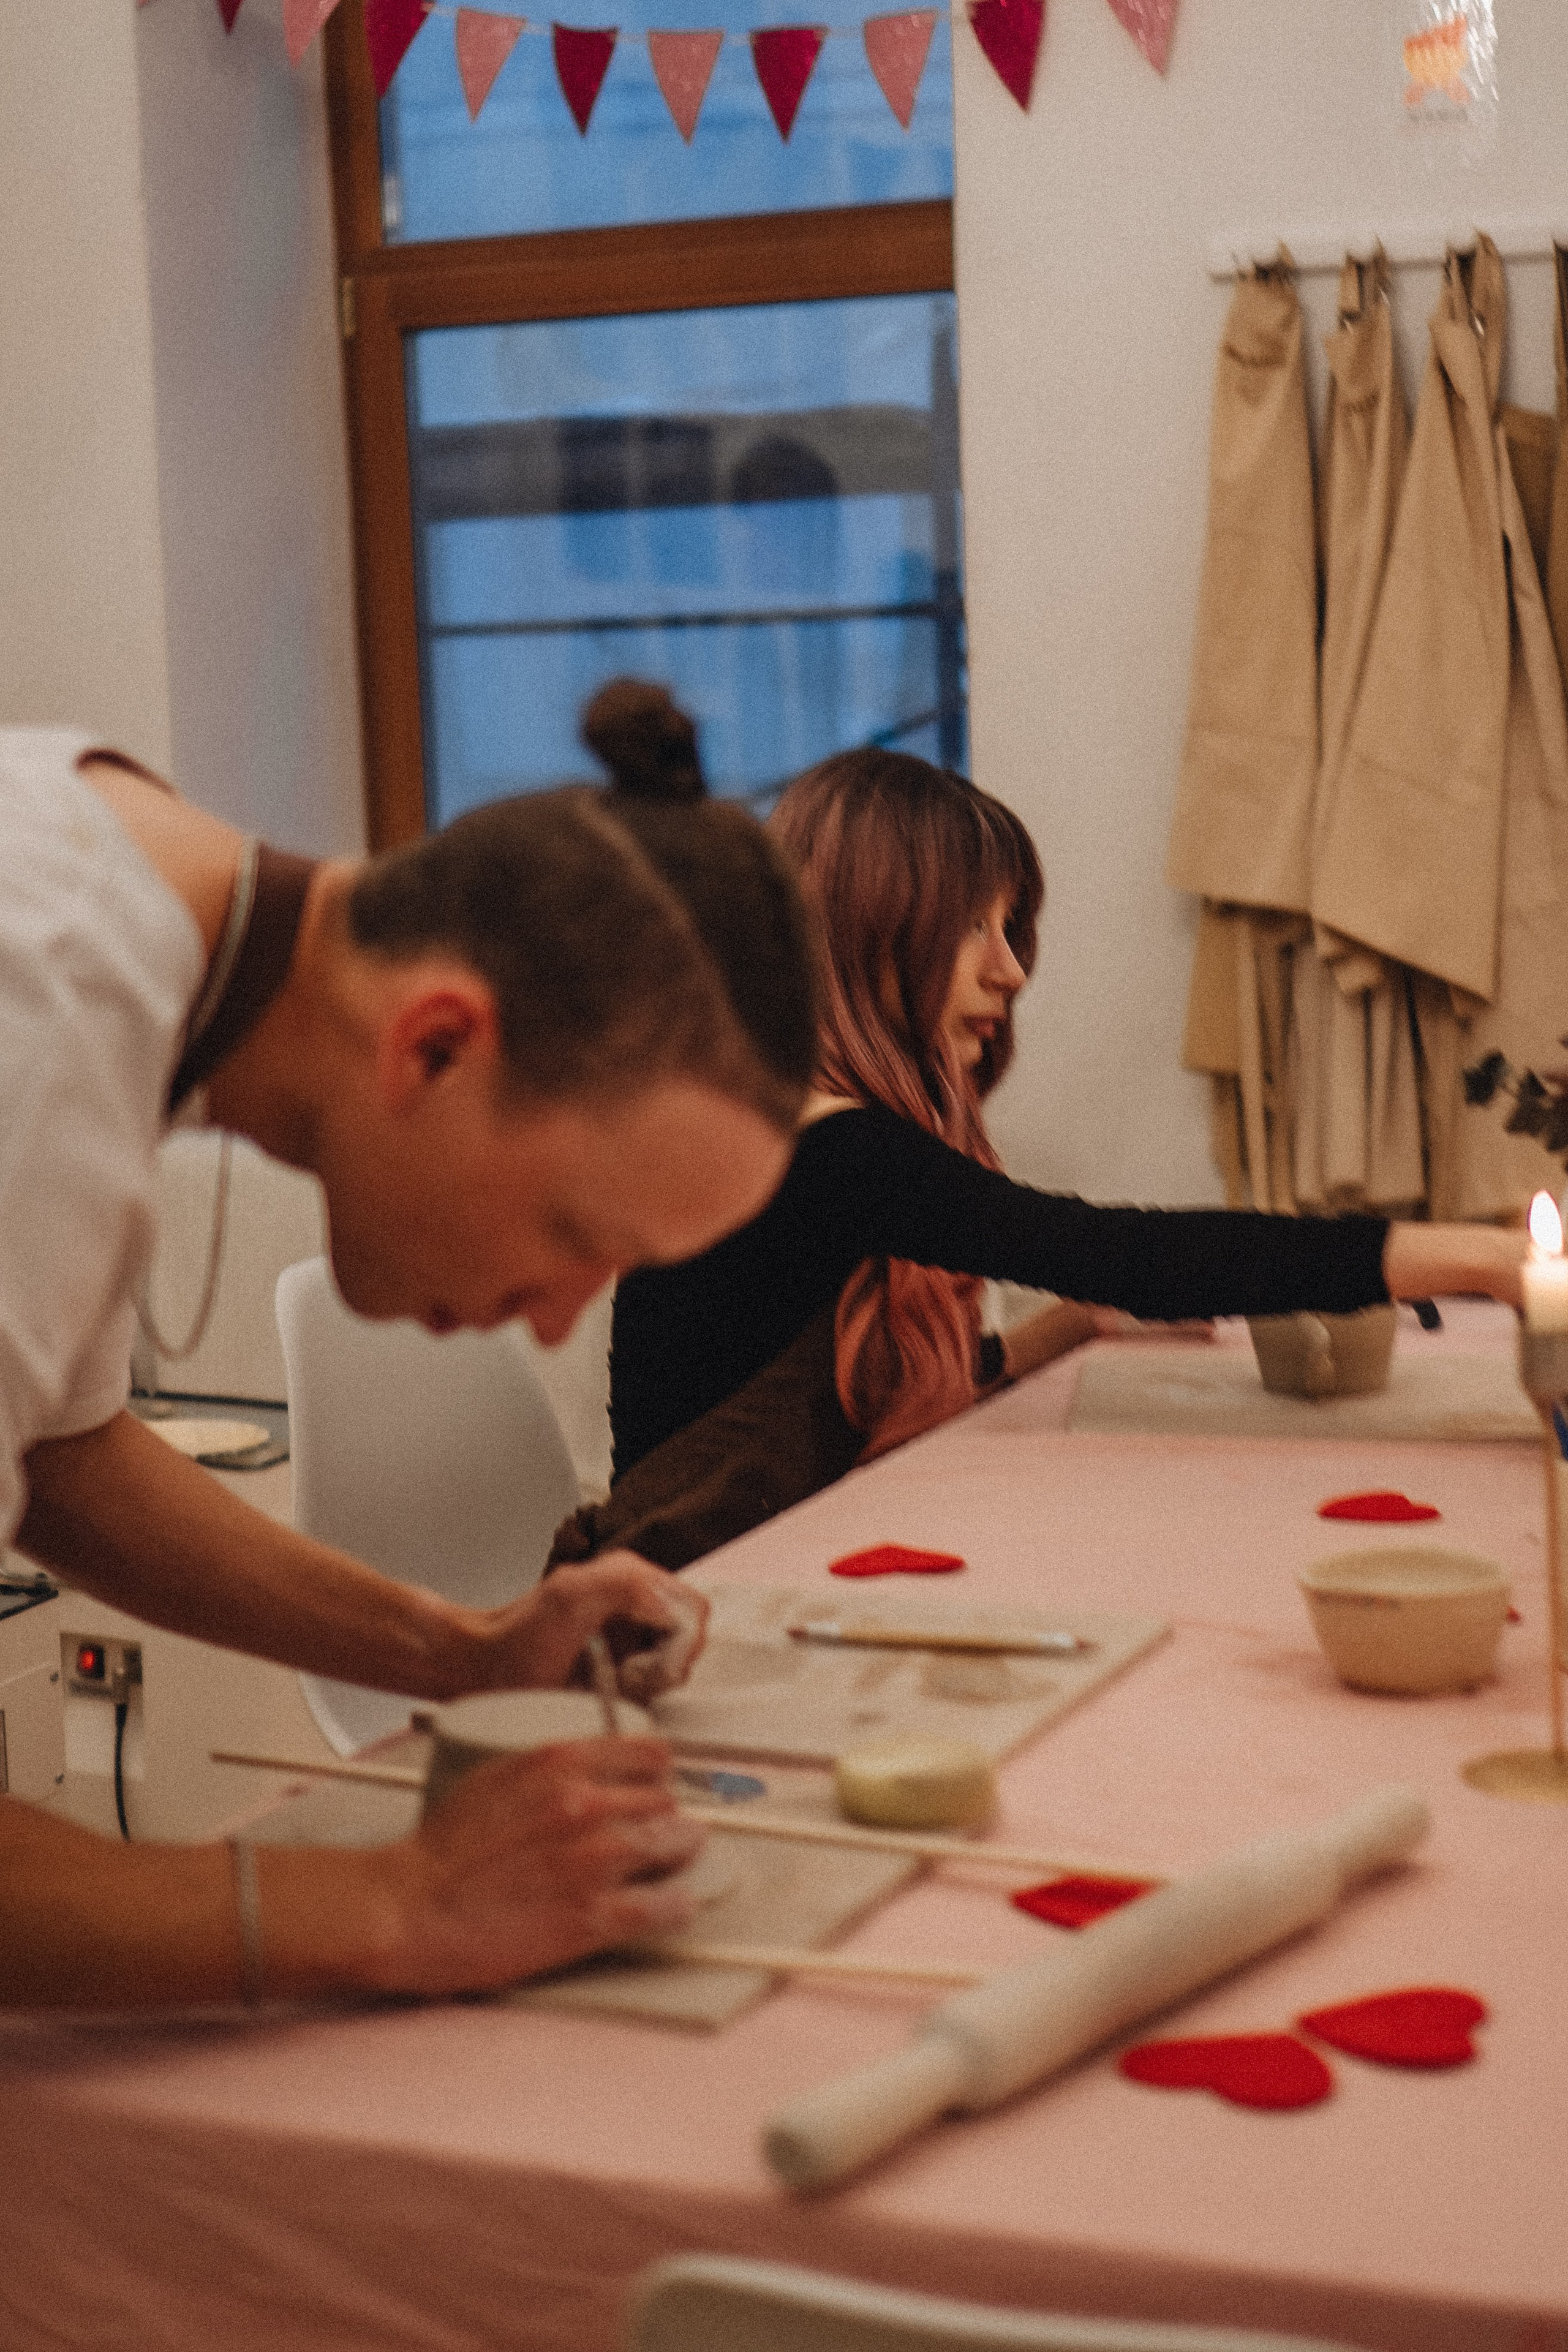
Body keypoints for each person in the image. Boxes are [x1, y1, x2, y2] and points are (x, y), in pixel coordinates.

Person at [1, 723, 817, 2009]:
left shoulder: (129, 909)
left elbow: (59, 1454)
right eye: (574, 1237)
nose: (555, 1325)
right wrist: (397, 1901)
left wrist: (461, 1653)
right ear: (435, 1045)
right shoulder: (35, 1026)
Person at [552, 745, 1529, 1575]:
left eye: (1008, 928)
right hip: (684, 1603)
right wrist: (1486, 1262)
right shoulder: (824, 1149)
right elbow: (1118, 1249)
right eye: (971, 929)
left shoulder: (783, 1129)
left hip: (759, 1556)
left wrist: (1060, 1333)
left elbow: (831, 1401)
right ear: (865, 939)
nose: (1010, 971)